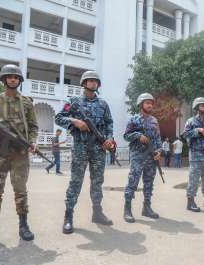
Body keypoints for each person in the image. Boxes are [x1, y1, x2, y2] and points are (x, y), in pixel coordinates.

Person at [0, 64, 38, 249]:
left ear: (20, 80)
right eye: (9, 76)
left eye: (16, 77)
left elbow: (33, 126)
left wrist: (33, 141)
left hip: (20, 154)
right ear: (4, 79)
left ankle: (24, 226)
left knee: (20, 191)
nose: (13, 79)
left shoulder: (27, 102)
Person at [55, 70, 115, 234]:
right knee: (76, 182)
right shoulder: (73, 102)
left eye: (96, 81)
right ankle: (68, 216)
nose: (93, 83)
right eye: (90, 80)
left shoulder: (103, 104)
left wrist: (109, 139)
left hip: (99, 149)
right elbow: (58, 118)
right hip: (80, 148)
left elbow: (109, 124)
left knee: (97, 182)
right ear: (83, 83)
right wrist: (74, 121)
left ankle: (97, 213)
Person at [123, 93, 162, 223]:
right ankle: (127, 209)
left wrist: (158, 152)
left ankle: (147, 208)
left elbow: (157, 139)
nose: (150, 105)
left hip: (151, 157)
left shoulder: (154, 121)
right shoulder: (133, 119)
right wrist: (138, 136)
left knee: (149, 182)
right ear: (141, 104)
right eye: (147, 103)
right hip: (137, 156)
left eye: (151, 103)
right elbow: (126, 136)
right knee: (133, 181)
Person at [183, 97, 204, 212]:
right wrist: (197, 130)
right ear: (197, 108)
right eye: (202, 105)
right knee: (194, 179)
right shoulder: (191, 121)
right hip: (196, 156)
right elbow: (185, 135)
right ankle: (190, 202)